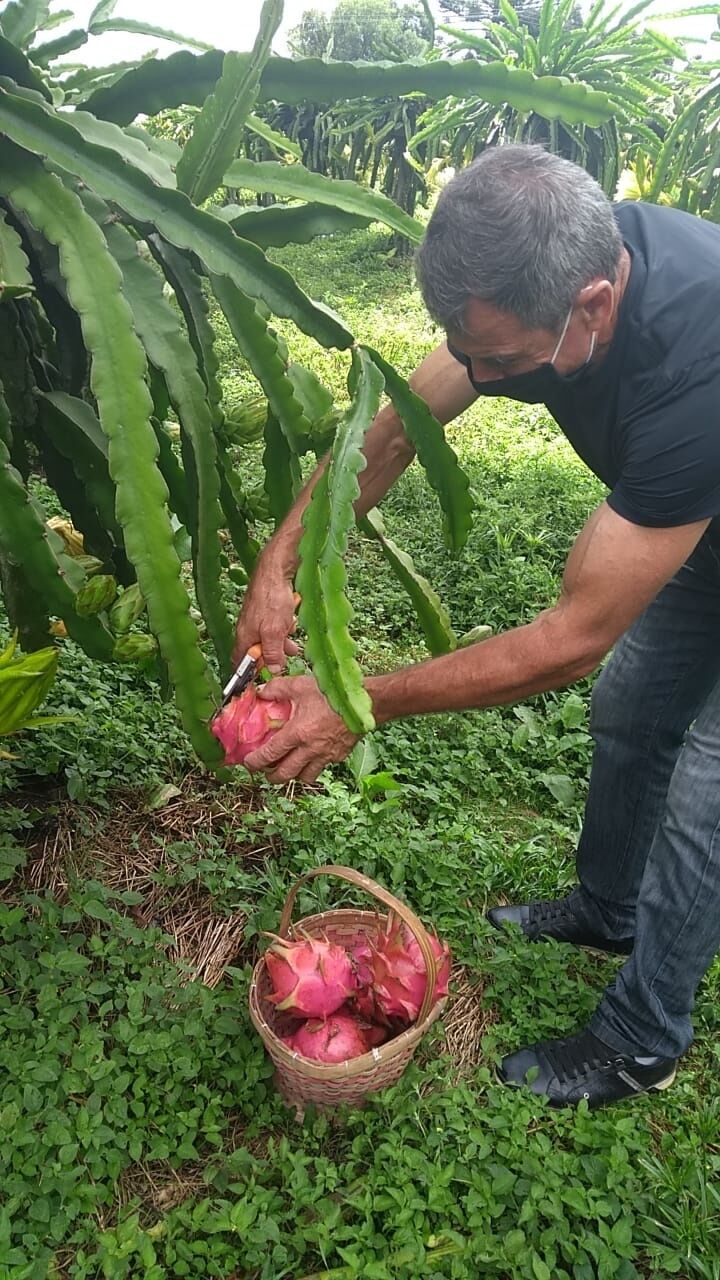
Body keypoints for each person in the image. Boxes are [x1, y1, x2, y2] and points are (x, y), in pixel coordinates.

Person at [234, 143, 720, 1109]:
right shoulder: (525, 294)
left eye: (498, 360)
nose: (478, 373)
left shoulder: (697, 367)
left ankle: (641, 1035)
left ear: (595, 305)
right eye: (468, 350)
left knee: (708, 795)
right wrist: (279, 562)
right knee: (630, 713)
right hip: (692, 524)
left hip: (691, 486)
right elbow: (396, 431)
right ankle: (606, 910)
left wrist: (354, 702)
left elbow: (570, 638)